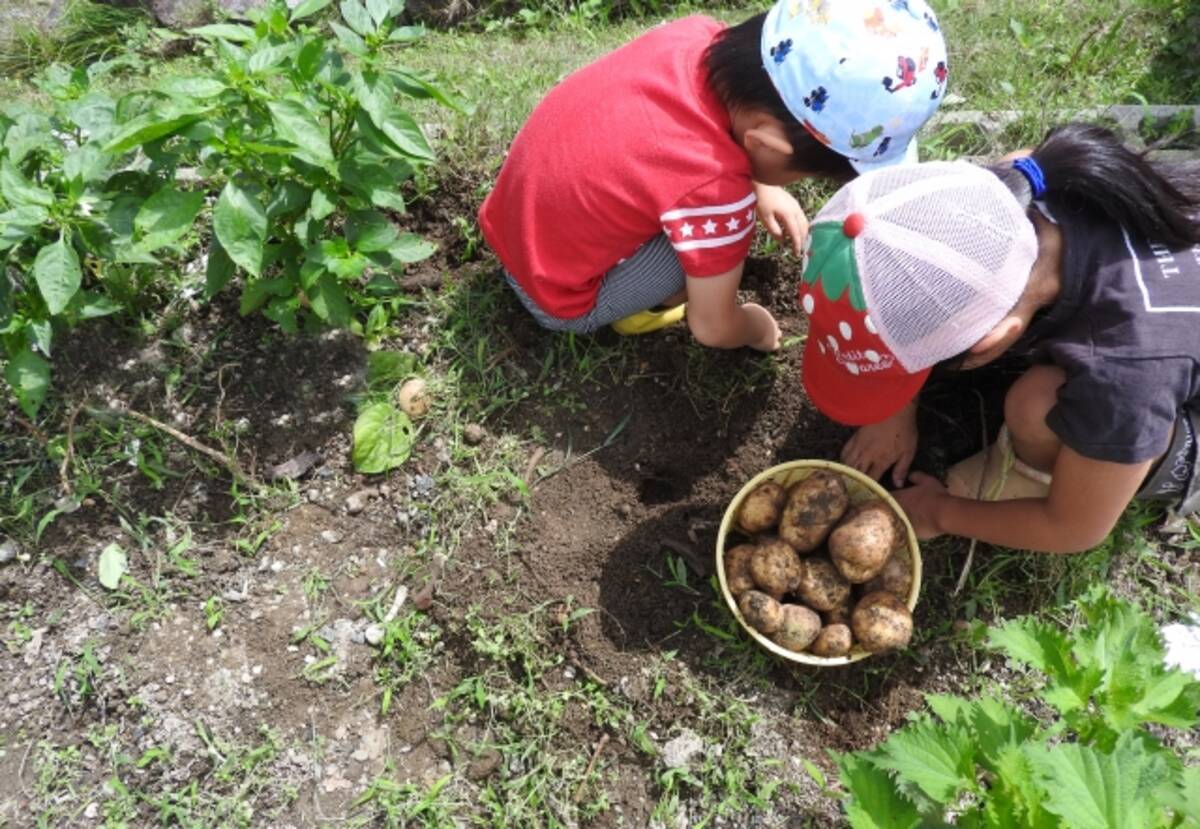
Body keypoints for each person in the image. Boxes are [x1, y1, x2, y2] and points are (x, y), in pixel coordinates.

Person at [796, 123, 1200, 553]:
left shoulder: (1128, 376)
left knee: (1034, 408)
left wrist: (939, 511)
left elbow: (1073, 530)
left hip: (1174, 391)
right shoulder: (1020, 181)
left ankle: (1044, 474)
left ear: (992, 340)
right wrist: (894, 409)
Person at [479, 0, 948, 350]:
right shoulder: (716, 194)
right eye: (802, 175)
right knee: (699, 258)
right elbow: (711, 327)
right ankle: (633, 307)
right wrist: (755, 326)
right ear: (765, 144)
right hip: (554, 297)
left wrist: (762, 183)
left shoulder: (697, 36)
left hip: (509, 223)